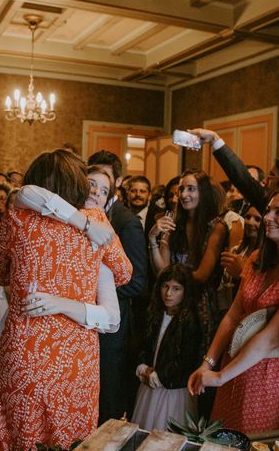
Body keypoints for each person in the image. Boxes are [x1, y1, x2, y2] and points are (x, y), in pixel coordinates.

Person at [0, 149, 132, 451]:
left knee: (18, 437)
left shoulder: (17, 218)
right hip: (76, 358)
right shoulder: (97, 220)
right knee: (70, 438)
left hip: (24, 349)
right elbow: (125, 272)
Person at [187, 187, 279, 434]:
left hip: (270, 375)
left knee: (254, 439)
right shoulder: (258, 258)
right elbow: (232, 316)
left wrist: (220, 377)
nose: (268, 217)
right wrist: (208, 363)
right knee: (223, 437)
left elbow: (272, 338)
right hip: (235, 361)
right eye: (269, 210)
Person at [88, 150, 148, 423]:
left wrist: (93, 292)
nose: (97, 188)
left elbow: (136, 283)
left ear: (117, 181)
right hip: (84, 322)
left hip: (112, 329)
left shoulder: (127, 222)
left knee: (107, 399)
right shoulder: (82, 213)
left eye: (105, 181)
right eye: (92, 181)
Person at [149, 170, 229, 340]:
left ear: (203, 192)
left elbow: (202, 275)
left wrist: (174, 283)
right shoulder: (175, 222)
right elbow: (163, 270)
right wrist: (152, 239)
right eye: (182, 189)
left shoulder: (216, 226)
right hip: (171, 302)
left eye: (191, 189)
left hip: (199, 306)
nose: (184, 194)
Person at [131, 264, 202, 431]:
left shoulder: (190, 321)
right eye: (165, 286)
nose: (168, 293)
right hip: (150, 386)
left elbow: (187, 360)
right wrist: (143, 367)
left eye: (176, 288)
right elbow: (143, 345)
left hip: (173, 391)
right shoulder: (154, 314)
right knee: (145, 427)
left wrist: (161, 374)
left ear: (185, 291)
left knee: (165, 432)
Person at [189, 129, 279, 211]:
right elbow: (242, 178)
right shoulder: (268, 203)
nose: (264, 181)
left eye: (271, 176)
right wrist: (214, 139)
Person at [216, 205, 262, 317]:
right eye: (247, 217)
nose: (250, 222)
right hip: (224, 311)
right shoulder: (236, 250)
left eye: (257, 219)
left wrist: (242, 273)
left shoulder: (265, 258)